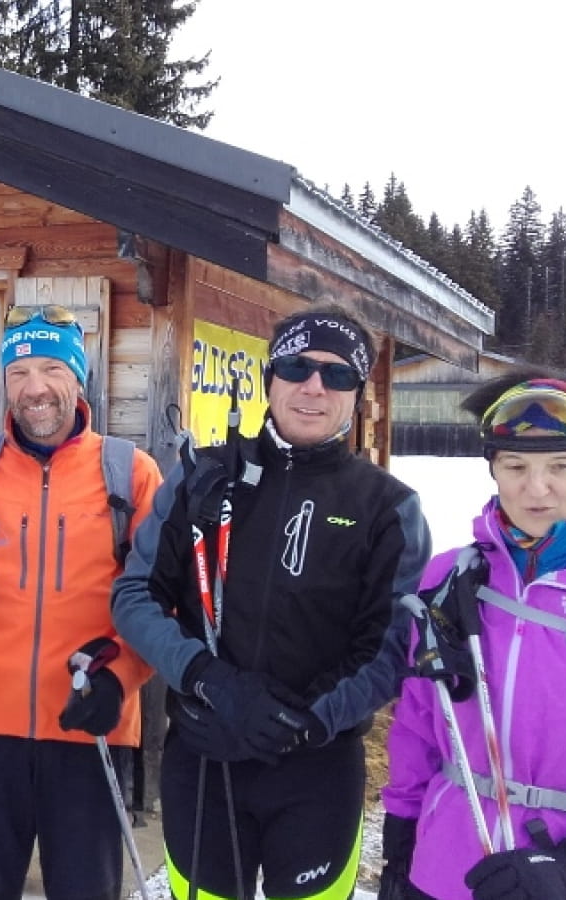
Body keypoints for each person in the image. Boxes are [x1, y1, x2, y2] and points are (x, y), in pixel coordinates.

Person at [112, 305, 431, 900]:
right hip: (207, 756)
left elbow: (389, 648)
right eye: (297, 367)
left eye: (337, 375)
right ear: (270, 378)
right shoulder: (203, 476)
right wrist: (208, 680)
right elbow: (135, 596)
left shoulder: (388, 507)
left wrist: (306, 722)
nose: (314, 386)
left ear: (357, 395)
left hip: (317, 772)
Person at [379, 370, 566, 899]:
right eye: (514, 466)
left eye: (561, 466)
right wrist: (402, 829)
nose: (536, 488)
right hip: (448, 873)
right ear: (494, 470)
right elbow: (418, 722)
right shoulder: (450, 578)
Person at [0, 304, 164, 900]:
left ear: (79, 379)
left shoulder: (130, 475)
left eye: (52, 368)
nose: (35, 389)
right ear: (4, 382)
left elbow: (161, 603)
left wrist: (120, 677)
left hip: (89, 726)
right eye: (19, 372)